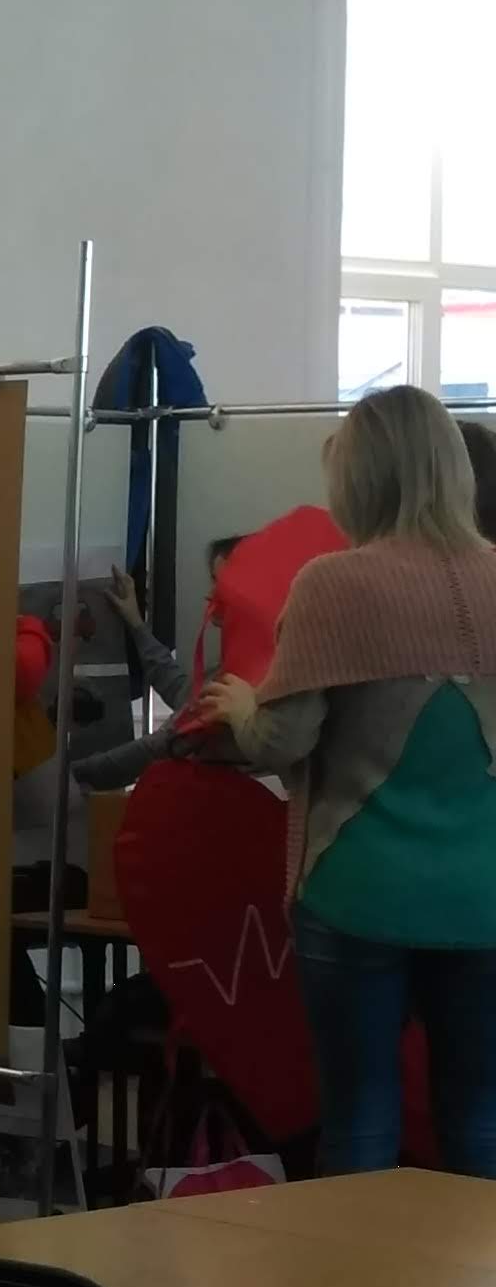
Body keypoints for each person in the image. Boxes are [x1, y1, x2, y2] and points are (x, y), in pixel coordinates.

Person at [199, 385, 496, 1178]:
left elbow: (282, 742)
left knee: (361, 1122)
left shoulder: (334, 584)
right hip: (486, 897)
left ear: (360, 477)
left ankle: (357, 1269)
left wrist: (244, 706)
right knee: (480, 1123)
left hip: (358, 890)